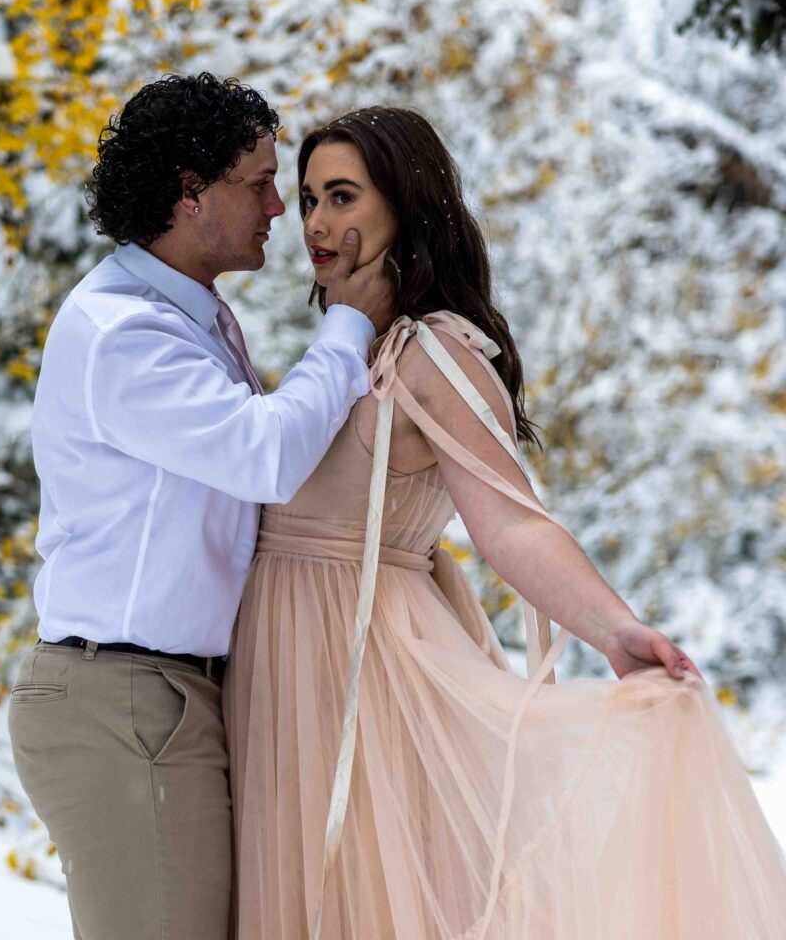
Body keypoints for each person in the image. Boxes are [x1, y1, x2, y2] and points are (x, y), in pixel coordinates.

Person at [224, 106, 786, 939]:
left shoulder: (436, 351)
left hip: (356, 673)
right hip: (282, 672)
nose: (314, 223)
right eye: (308, 199)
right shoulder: (350, 350)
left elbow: (511, 522)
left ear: (405, 205)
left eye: (342, 197)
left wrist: (615, 629)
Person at [6, 74, 394, 940]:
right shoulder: (124, 334)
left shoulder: (192, 318)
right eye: (258, 183)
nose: (279, 210)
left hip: (165, 694)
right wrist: (350, 324)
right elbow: (266, 455)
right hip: (125, 697)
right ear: (189, 194)